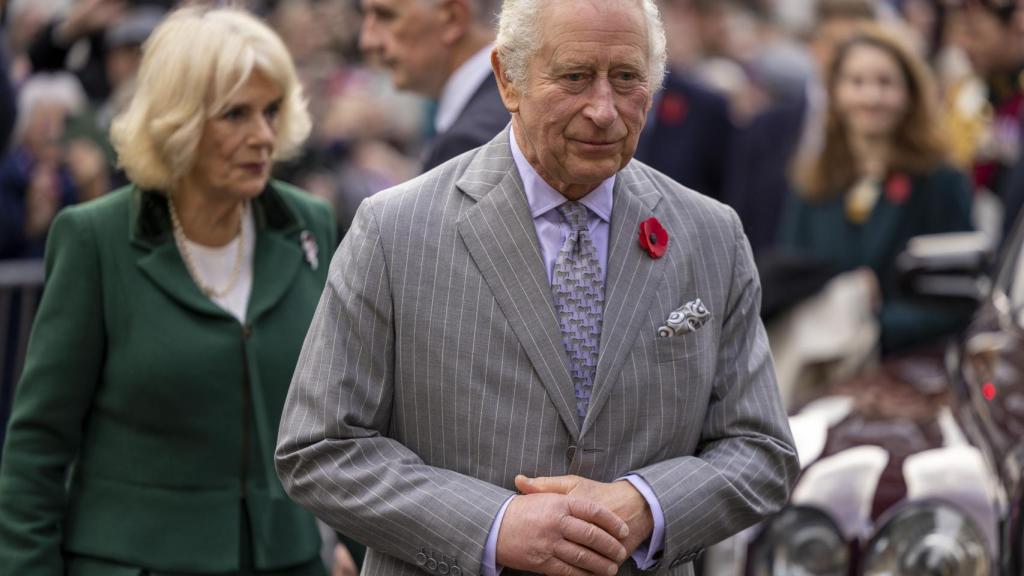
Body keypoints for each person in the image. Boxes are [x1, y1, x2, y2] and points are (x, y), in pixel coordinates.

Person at [276, 1, 799, 575]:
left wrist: (646, 505)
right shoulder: (394, 229)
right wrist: (494, 526)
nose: (604, 110)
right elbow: (321, 447)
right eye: (575, 77)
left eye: (627, 78)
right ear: (508, 79)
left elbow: (761, 451)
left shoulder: (710, 234)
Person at [0, 7, 336, 575]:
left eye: (272, 110)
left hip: (288, 561)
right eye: (235, 114)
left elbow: (337, 414)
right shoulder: (95, 239)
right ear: (177, 121)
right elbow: (38, 446)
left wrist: (348, 547)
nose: (263, 136)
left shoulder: (306, 224)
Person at [780, 24, 974, 356]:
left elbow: (960, 297)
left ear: (910, 94)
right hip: (822, 370)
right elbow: (789, 275)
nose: (871, 97)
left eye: (885, 83)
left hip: (911, 371)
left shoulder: (940, 180)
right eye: (856, 82)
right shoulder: (813, 178)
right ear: (836, 93)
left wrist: (873, 327)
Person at [358, 0, 510, 170]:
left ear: (453, 18)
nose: (368, 42)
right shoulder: (505, 107)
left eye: (387, 16)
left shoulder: (470, 143)